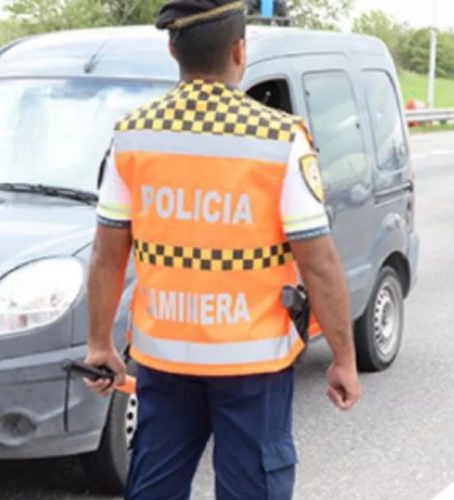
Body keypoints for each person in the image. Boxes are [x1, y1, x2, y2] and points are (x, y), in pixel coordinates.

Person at [83, 1, 361, 498]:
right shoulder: (280, 138)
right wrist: (343, 357)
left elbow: (107, 255)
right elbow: (317, 263)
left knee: (155, 487)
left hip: (164, 361)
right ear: (240, 51)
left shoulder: (133, 136)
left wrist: (100, 345)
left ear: (173, 50)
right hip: (253, 366)